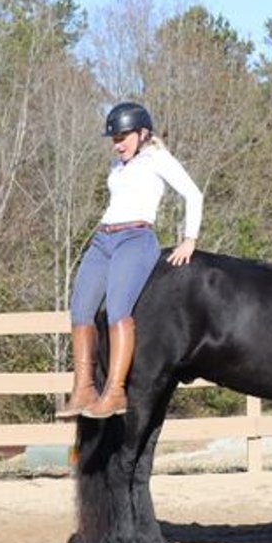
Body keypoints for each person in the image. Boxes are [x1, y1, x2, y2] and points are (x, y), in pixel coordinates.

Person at [55, 101, 203, 420]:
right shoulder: (117, 167)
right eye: (114, 138)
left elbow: (193, 194)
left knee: (118, 311)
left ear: (141, 133)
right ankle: (83, 388)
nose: (117, 144)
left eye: (123, 136)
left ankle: (115, 392)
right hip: (103, 238)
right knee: (81, 311)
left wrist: (189, 238)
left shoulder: (157, 158)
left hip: (136, 238)